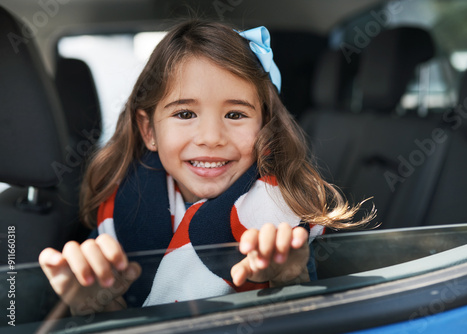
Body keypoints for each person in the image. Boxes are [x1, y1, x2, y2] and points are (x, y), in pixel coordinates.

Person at [39, 19, 374, 315]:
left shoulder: (277, 217)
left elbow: (309, 317)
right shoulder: (122, 206)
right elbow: (118, 312)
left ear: (265, 127)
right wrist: (98, 306)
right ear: (149, 130)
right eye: (185, 114)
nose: (211, 138)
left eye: (236, 115)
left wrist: (290, 282)